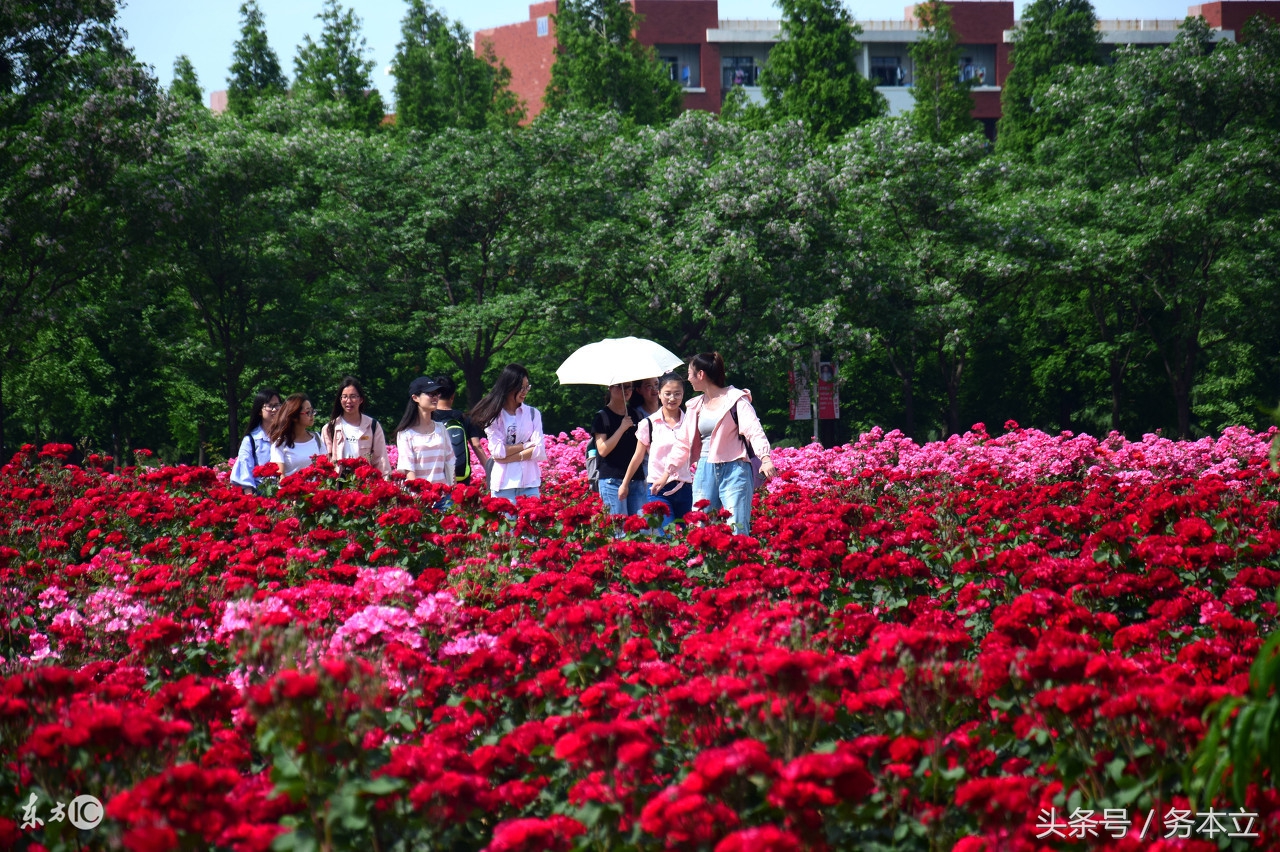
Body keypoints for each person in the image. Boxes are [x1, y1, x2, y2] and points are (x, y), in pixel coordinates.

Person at [654, 352, 776, 535]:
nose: (688, 379)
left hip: (735, 468)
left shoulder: (736, 399)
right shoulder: (695, 405)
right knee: (700, 526)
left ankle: (739, 562)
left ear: (700, 375)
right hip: (705, 470)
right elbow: (683, 443)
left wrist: (765, 458)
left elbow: (754, 430)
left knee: (737, 527)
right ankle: (703, 563)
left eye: (690, 373)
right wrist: (667, 474)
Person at [619, 372, 693, 529]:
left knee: (687, 540)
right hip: (658, 488)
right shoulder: (649, 424)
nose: (672, 398)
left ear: (683, 395)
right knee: (668, 535)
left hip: (685, 487)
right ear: (659, 394)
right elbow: (638, 456)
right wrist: (625, 484)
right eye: (667, 394)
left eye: (677, 394)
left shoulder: (690, 422)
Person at [470, 364, 545, 500]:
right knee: (506, 522)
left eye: (527, 387)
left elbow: (539, 450)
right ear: (509, 387)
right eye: (521, 388)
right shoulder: (494, 416)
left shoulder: (533, 414)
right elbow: (498, 451)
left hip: (530, 484)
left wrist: (506, 457)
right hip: (503, 486)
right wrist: (527, 445)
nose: (525, 391)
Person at [593, 380, 647, 517]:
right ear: (610, 388)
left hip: (637, 478)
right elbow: (603, 450)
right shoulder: (602, 416)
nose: (626, 391)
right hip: (612, 479)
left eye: (629, 387)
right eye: (621, 387)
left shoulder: (637, 415)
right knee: (619, 530)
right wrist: (622, 428)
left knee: (640, 529)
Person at [321, 377, 390, 476]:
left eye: (353, 396)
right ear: (340, 400)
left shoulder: (373, 426)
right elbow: (324, 461)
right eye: (344, 397)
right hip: (337, 485)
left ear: (361, 399)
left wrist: (385, 483)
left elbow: (381, 460)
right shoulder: (329, 428)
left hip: (364, 484)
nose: (348, 401)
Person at [393, 377, 456, 484]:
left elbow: (450, 463)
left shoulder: (441, 428)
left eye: (437, 394)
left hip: (443, 495)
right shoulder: (405, 433)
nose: (435, 398)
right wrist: (421, 496)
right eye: (430, 394)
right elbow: (409, 469)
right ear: (415, 397)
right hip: (420, 497)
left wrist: (454, 493)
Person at [432, 374, 489, 486]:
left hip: (438, 474)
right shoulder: (464, 418)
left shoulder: (430, 417)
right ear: (453, 396)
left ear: (435, 395)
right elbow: (477, 446)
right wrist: (490, 470)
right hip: (461, 476)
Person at [231, 386, 281, 493]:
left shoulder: (287, 436)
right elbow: (245, 473)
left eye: (277, 405)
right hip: (261, 495)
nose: (275, 409)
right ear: (259, 411)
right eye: (270, 406)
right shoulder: (250, 440)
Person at [268, 393, 324, 477]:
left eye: (312, 411)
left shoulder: (317, 438)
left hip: (317, 489)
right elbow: (280, 476)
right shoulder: (280, 443)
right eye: (308, 412)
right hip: (291, 489)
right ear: (294, 416)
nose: (312, 415)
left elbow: (325, 469)